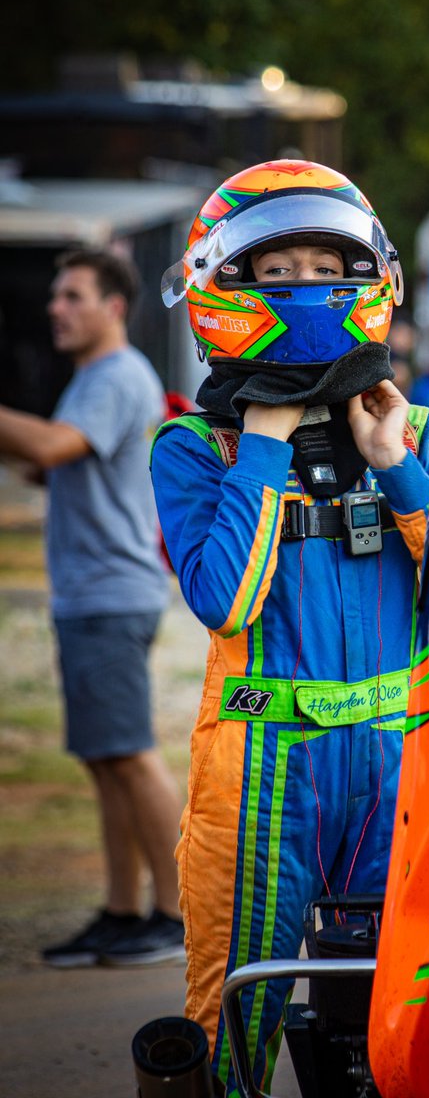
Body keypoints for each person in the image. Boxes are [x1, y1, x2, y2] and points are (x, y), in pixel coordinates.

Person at [150, 160, 429, 1095]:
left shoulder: (419, 435)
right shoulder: (197, 448)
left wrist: (392, 466)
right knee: (231, 1023)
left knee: (403, 1023)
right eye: (277, 272)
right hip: (259, 774)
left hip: (397, 767)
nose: (308, 286)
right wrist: (267, 447)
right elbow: (224, 600)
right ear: (222, 286)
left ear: (374, 279)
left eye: (328, 264)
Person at [0, 248, 184, 966]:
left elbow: (50, 446)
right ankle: (119, 910)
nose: (56, 308)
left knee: (133, 757)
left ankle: (171, 917)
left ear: (113, 307)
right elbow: (50, 461)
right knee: (107, 760)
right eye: (55, 297)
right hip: (89, 596)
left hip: (111, 595)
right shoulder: (92, 379)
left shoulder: (115, 375)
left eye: (72, 295)